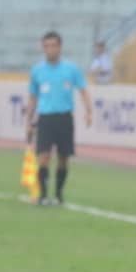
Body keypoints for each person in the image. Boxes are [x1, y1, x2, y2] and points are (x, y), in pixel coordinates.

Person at [27, 30, 93, 207]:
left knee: (63, 158)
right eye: (47, 46)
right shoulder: (37, 70)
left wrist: (89, 111)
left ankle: (58, 194)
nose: (50, 49)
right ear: (43, 48)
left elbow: (83, 90)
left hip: (64, 118)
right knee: (43, 157)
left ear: (60, 47)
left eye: (53, 45)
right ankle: (43, 195)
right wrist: (29, 121)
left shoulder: (71, 69)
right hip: (45, 118)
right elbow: (33, 96)